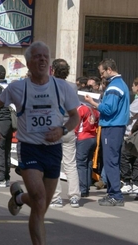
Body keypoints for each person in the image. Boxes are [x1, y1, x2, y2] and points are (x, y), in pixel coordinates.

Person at [0, 41, 80, 245]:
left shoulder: (62, 87)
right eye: (37, 56)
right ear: (29, 63)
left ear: (49, 62)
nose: (42, 59)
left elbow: (75, 116)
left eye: (45, 56)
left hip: (53, 149)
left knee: (42, 205)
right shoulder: (18, 88)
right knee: (39, 198)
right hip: (29, 147)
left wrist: (62, 129)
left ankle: (18, 197)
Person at [85, 58, 129, 206]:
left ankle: (115, 195)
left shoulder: (114, 87)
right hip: (116, 126)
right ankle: (112, 193)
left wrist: (93, 103)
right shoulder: (120, 84)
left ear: (109, 69)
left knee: (110, 161)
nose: (101, 75)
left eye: (102, 72)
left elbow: (109, 109)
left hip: (112, 127)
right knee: (112, 160)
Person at [49, 59, 81, 208]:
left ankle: (56, 197)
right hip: (69, 126)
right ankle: (74, 196)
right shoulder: (73, 86)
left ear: (53, 70)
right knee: (70, 163)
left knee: (53, 163)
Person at [75, 98, 100, 197]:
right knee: (88, 162)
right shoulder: (95, 110)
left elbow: (75, 124)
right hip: (93, 137)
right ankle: (87, 186)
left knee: (81, 164)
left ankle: (82, 188)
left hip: (83, 138)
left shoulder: (81, 108)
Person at [119, 77, 138, 194]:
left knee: (124, 157)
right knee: (135, 160)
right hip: (133, 133)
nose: (132, 87)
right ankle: (135, 184)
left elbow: (128, 114)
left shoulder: (137, 102)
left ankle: (127, 182)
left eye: (133, 85)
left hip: (132, 134)